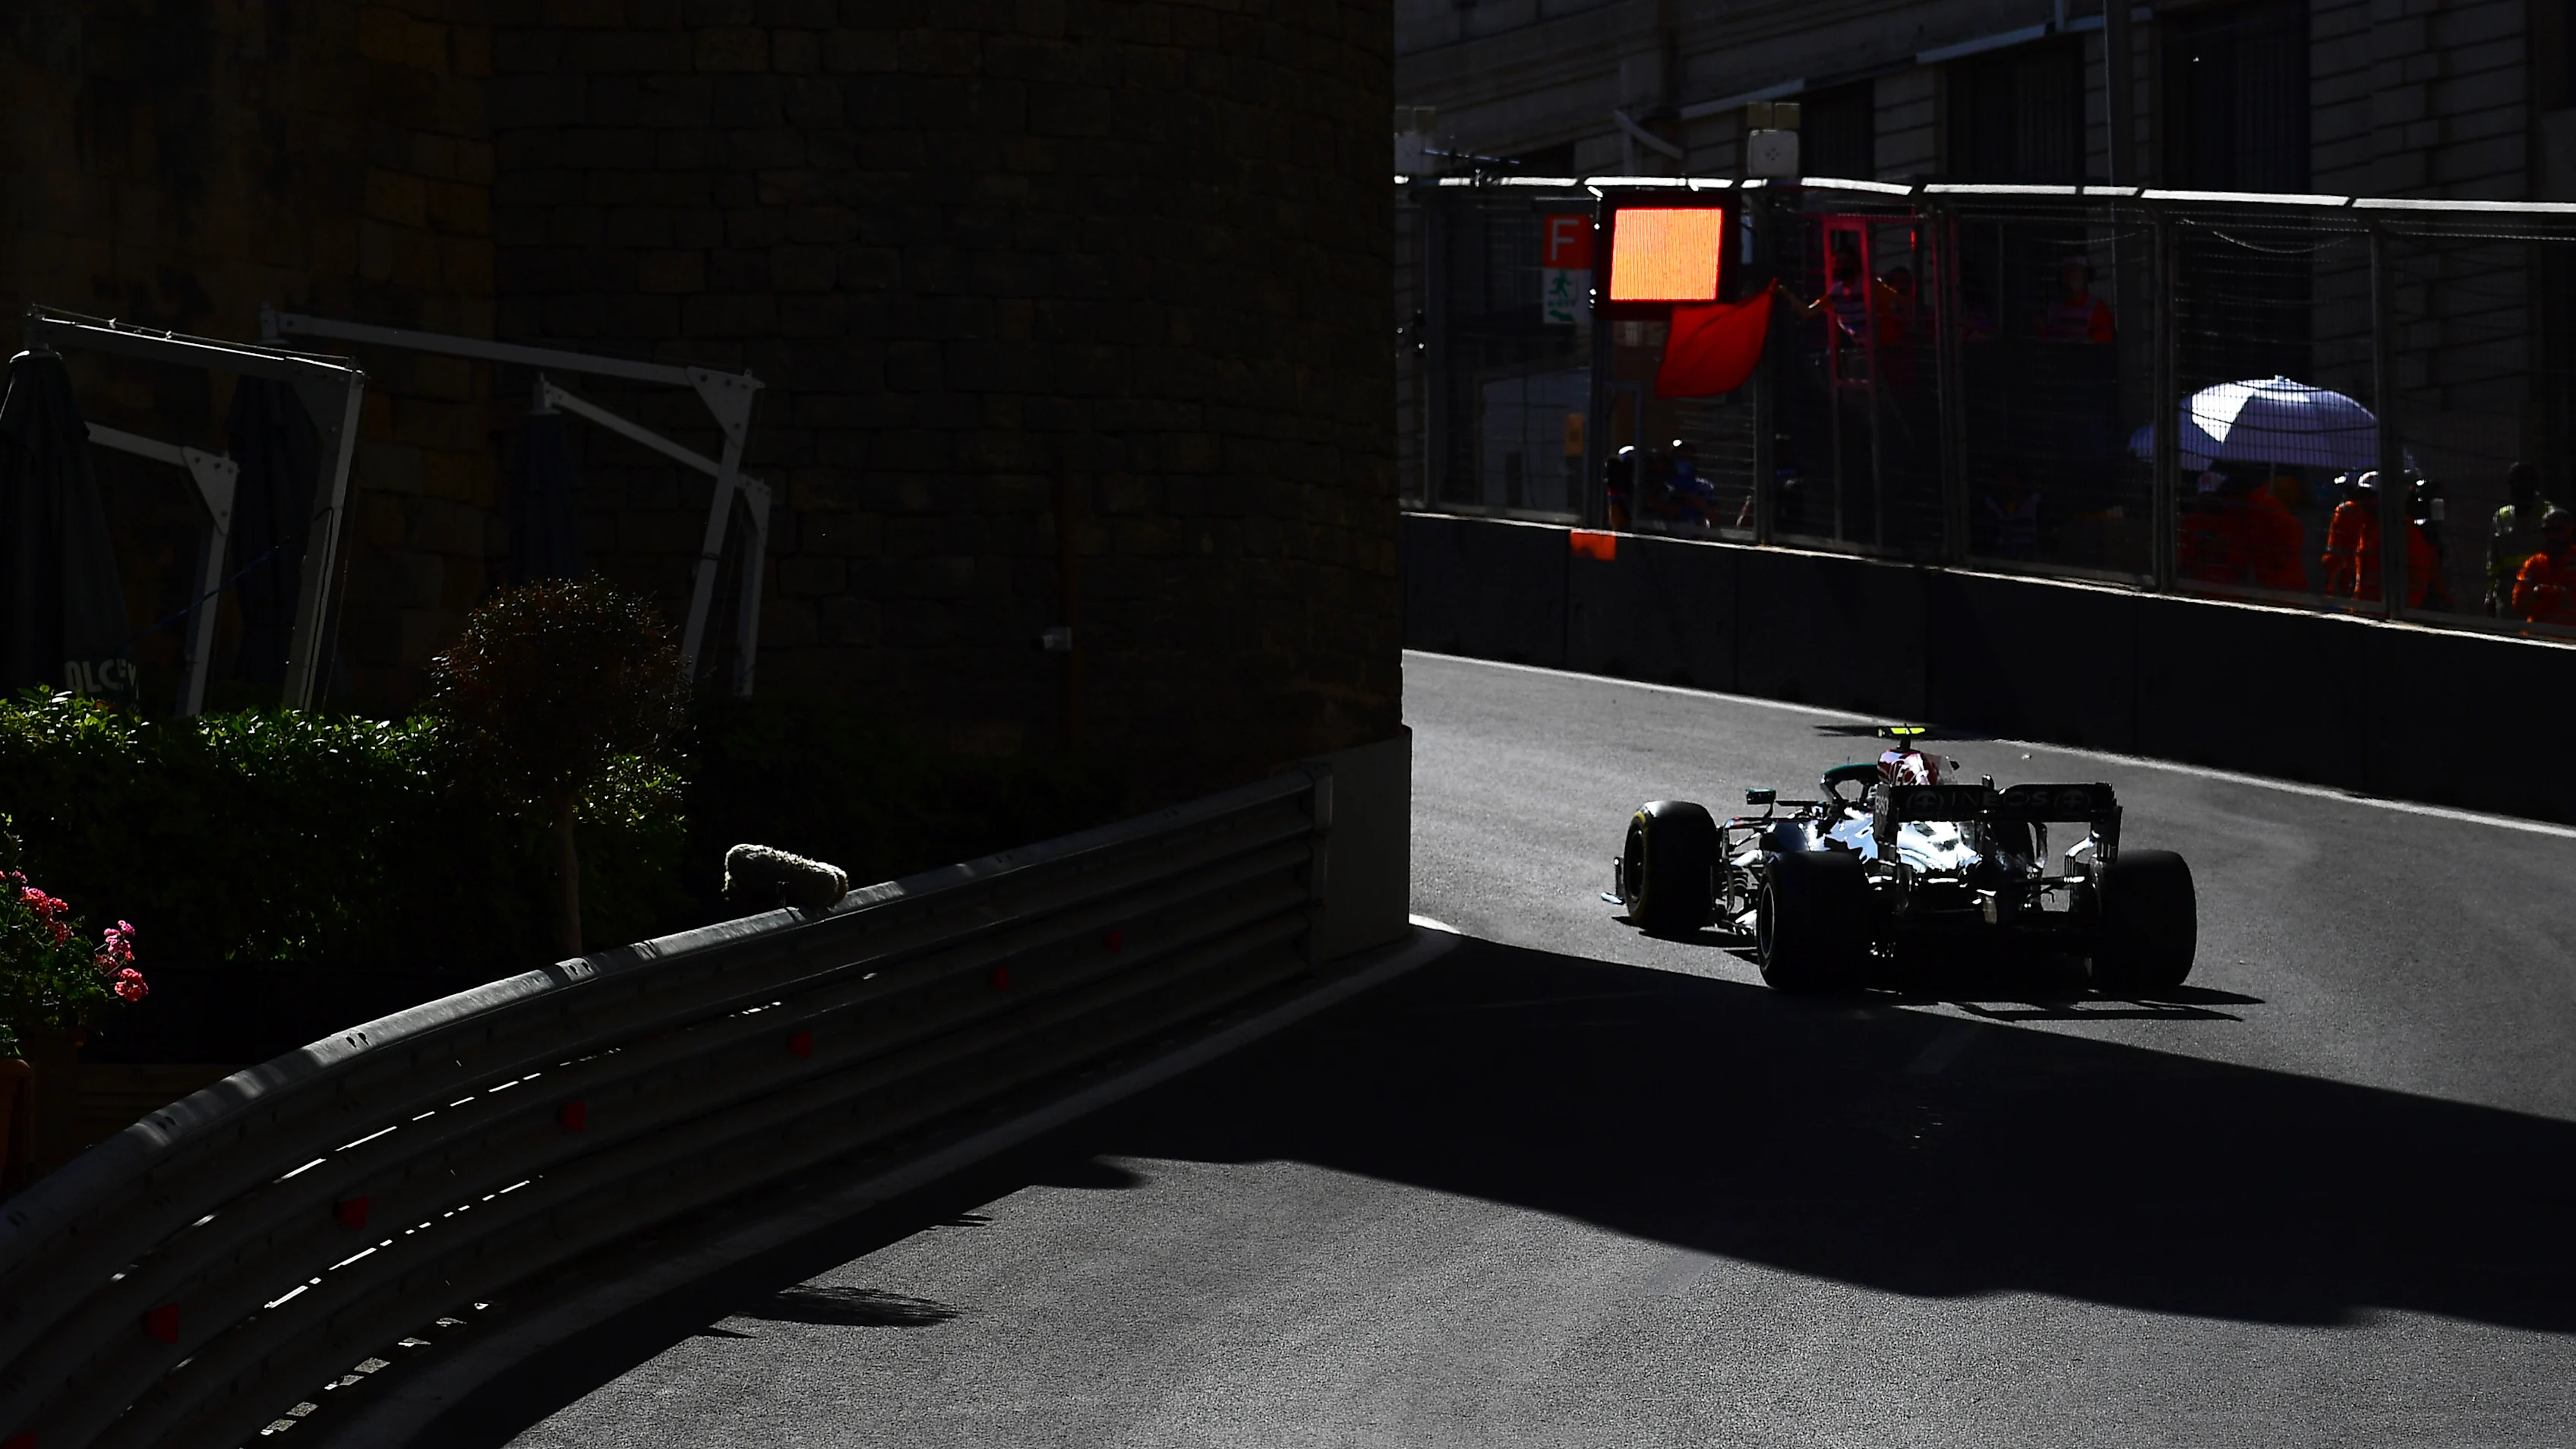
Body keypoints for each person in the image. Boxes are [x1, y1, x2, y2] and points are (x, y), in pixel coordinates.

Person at [2322, 471, 2439, 605]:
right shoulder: (2363, 526)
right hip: (2364, 609)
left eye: (2370, 496)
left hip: (2389, 611)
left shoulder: (2399, 529)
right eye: (2362, 496)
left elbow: (2418, 577)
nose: (2363, 501)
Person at [2486, 462, 2546, 616]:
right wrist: (2490, 594)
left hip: (2541, 597)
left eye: (2525, 483)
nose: (2520, 488)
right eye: (2516, 483)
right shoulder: (2502, 517)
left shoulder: (2549, 516)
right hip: (2508, 599)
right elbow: (2493, 561)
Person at [2511, 507, 2576, 626]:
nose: (2552, 536)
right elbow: (2519, 603)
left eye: (2558, 530)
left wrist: (2544, 593)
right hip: (2537, 634)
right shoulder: (2533, 563)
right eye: (2547, 531)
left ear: (2570, 530)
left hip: (2570, 638)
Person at [2036, 254, 2114, 343]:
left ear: (2086, 275)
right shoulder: (2052, 310)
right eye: (2067, 271)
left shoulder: (2098, 308)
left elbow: (2106, 337)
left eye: (2076, 270)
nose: (2072, 275)